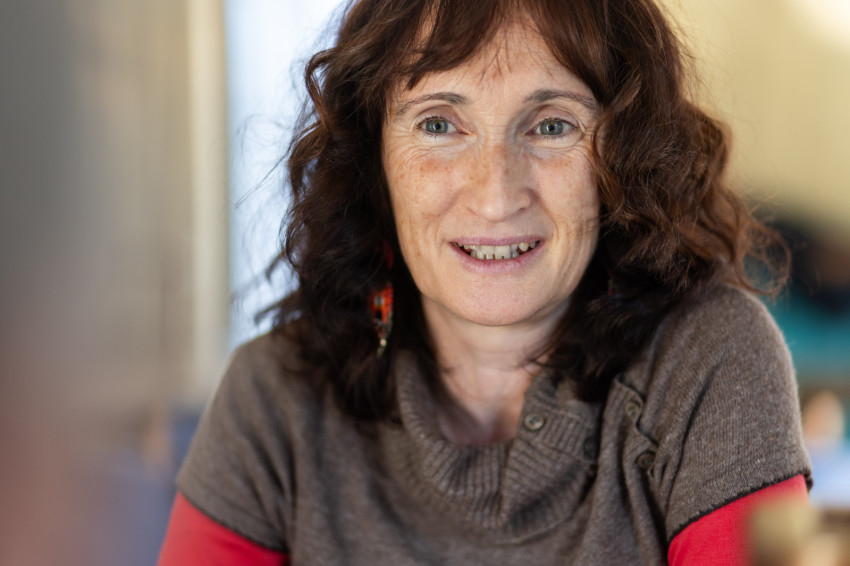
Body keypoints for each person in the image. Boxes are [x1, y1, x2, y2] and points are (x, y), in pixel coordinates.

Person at [158, 0, 811, 564]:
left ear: (624, 157)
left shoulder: (711, 361)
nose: (496, 196)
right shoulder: (273, 398)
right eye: (439, 124)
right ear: (373, 161)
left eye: (551, 125)